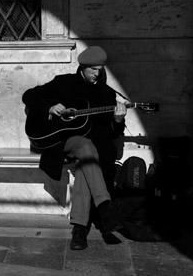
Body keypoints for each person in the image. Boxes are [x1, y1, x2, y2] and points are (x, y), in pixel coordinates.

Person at [22, 46, 127, 250]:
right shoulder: (64, 82)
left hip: (92, 147)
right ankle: (105, 208)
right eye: (93, 70)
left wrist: (118, 119)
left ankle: (79, 230)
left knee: (86, 158)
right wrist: (50, 107)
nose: (97, 74)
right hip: (62, 141)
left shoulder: (106, 93)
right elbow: (29, 96)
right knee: (86, 149)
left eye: (100, 70)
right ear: (83, 67)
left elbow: (112, 133)